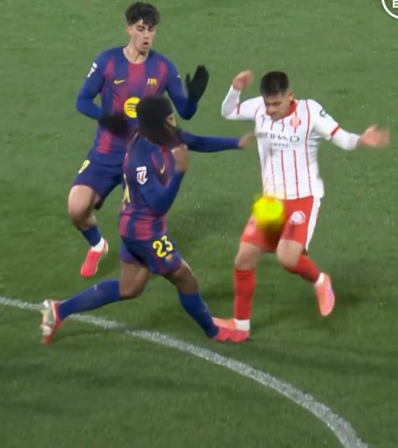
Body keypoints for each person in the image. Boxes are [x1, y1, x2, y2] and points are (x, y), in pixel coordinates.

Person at [41, 96, 250, 345]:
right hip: (145, 232)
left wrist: (235, 143)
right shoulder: (140, 159)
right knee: (186, 279)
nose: (174, 123)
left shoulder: (162, 135)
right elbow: (158, 205)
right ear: (157, 124)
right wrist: (179, 172)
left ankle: (59, 310)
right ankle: (214, 331)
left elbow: (195, 140)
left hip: (132, 225)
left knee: (129, 287)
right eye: (169, 119)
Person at [213, 70, 390, 336]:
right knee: (244, 259)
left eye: (276, 103)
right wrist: (235, 88)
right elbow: (227, 112)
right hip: (270, 202)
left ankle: (320, 280)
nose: (271, 110)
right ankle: (240, 326)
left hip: (302, 198)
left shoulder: (310, 112)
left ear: (290, 96)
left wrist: (362, 139)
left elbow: (342, 139)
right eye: (267, 103)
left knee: (287, 258)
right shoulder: (259, 108)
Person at [70, 1, 209, 277]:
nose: (147, 35)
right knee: (76, 209)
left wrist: (193, 98)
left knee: (133, 222)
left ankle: (142, 270)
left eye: (151, 30)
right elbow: (82, 101)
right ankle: (97, 245)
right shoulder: (107, 61)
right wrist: (106, 118)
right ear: (129, 29)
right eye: (141, 29)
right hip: (106, 152)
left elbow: (185, 112)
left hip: (142, 157)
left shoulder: (164, 67)